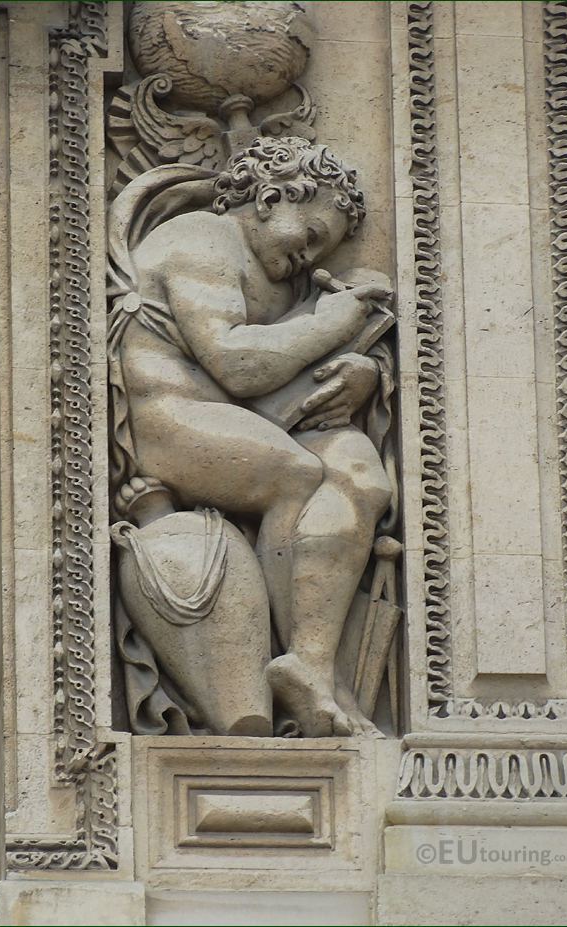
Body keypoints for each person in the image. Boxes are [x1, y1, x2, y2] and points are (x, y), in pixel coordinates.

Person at [108, 136, 393, 736]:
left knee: (361, 472)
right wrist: (329, 323)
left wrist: (361, 367)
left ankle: (311, 663)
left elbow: (278, 368)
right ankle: (294, 674)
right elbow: (238, 364)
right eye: (310, 237)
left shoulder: (274, 272)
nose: (309, 259)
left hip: (242, 418)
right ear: (269, 198)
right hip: (168, 423)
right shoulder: (201, 242)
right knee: (296, 474)